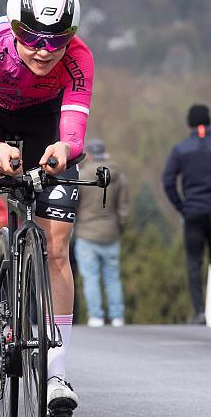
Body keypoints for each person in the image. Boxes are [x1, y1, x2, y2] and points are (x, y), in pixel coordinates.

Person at [0, 0, 93, 411]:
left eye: (57, 39)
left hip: (44, 119)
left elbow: (74, 135)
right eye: (31, 37)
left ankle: (57, 376)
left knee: (56, 249)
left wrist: (63, 148)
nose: (44, 50)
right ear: (13, 27)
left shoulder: (80, 59)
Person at [161, 104, 211, 325]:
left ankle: (199, 312)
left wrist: (181, 206)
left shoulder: (180, 150)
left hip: (192, 212)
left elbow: (167, 181)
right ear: (209, 121)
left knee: (194, 263)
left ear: (189, 124)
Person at [74, 139, 129, 328]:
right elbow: (123, 208)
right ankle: (117, 316)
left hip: (86, 233)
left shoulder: (82, 175)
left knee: (91, 277)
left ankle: (96, 316)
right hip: (110, 232)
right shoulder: (118, 176)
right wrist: (119, 227)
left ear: (88, 154)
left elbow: (74, 205)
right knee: (113, 277)